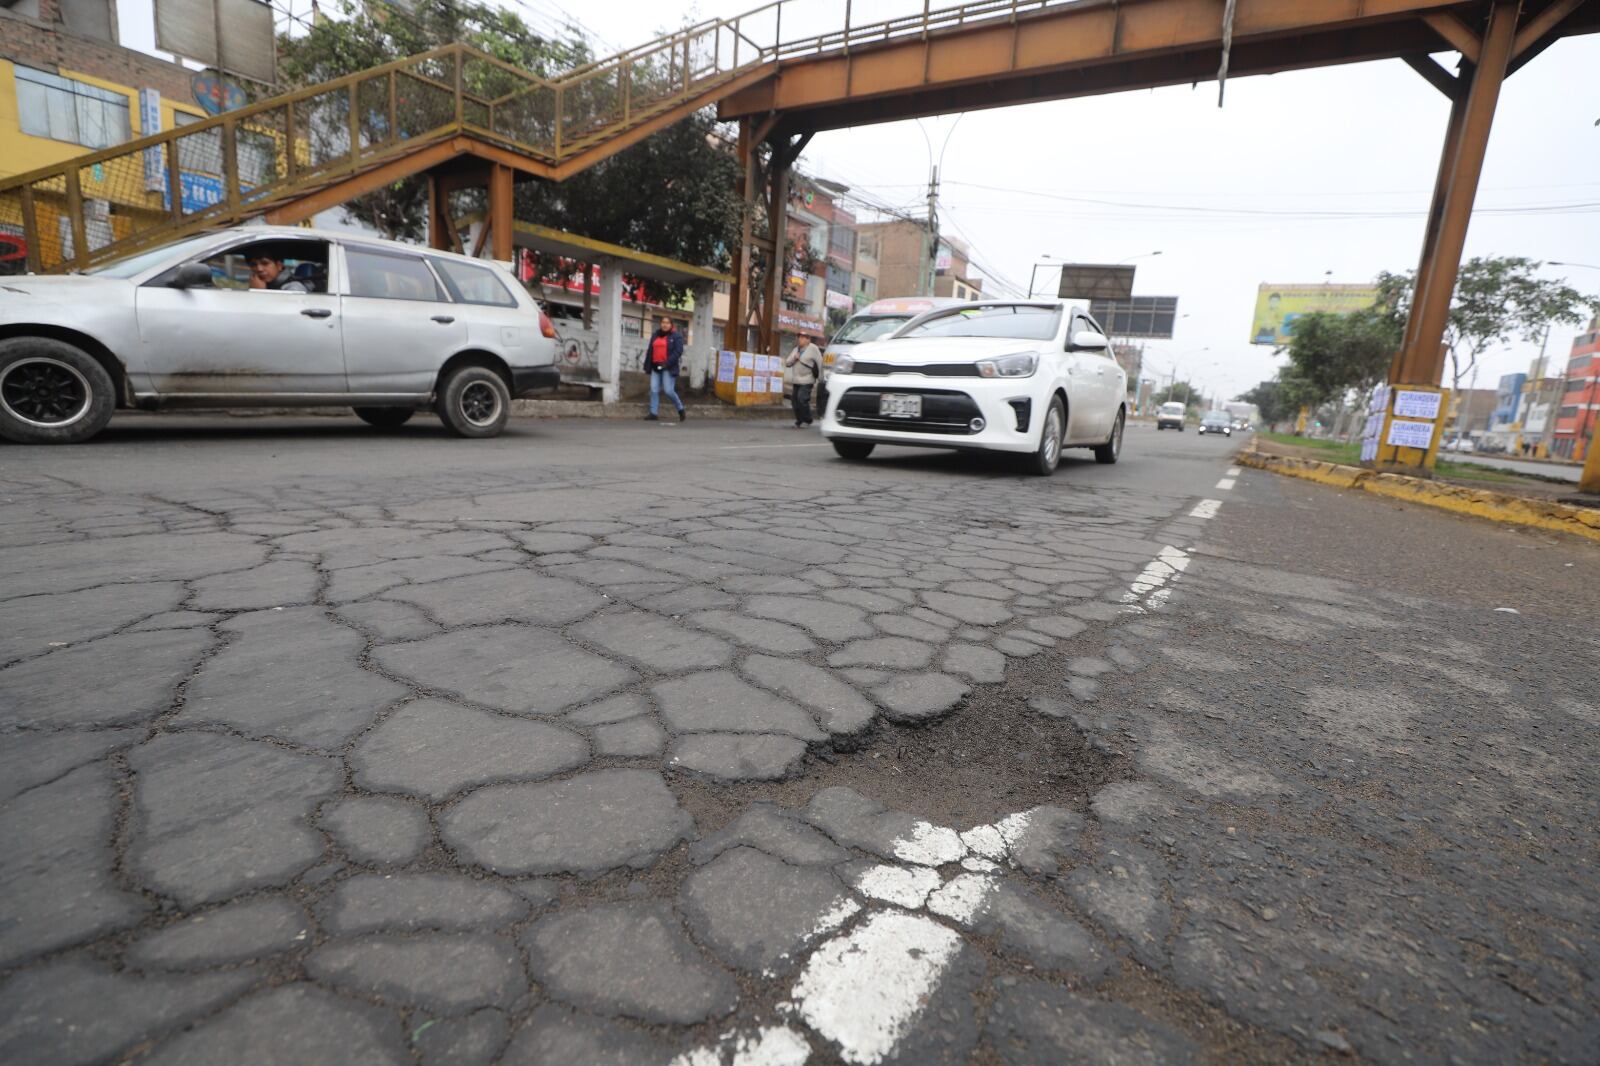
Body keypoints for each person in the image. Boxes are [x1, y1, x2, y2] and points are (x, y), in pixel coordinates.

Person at [643, 316, 686, 422]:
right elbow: (650, 351)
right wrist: (647, 365)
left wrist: (667, 363)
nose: (665, 324)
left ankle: (680, 409)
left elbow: (678, 351)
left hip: (668, 367)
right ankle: (653, 413)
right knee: (653, 389)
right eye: (663, 322)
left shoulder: (676, 336)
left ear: (671, 325)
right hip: (655, 366)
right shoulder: (655, 335)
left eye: (667, 323)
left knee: (668, 390)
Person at [784, 330, 822, 428]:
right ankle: (799, 420)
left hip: (807, 379)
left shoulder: (813, 348)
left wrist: (821, 379)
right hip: (796, 380)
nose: (800, 339)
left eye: (802, 337)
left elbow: (820, 363)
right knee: (794, 401)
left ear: (808, 339)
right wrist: (794, 359)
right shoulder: (796, 349)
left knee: (802, 399)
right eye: (799, 337)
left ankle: (807, 420)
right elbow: (787, 363)